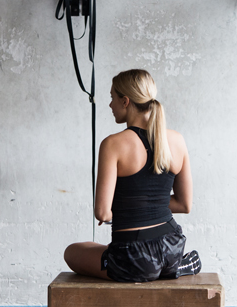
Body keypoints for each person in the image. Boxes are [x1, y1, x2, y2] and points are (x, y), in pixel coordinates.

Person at [64, 69, 201, 282]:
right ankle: (172, 266)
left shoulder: (112, 144)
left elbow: (102, 213)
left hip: (134, 257)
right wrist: (147, 205)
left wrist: (125, 208)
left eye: (112, 97)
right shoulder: (177, 139)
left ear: (125, 101)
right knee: (106, 250)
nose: (110, 105)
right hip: (173, 246)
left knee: (72, 251)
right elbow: (185, 205)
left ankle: (153, 269)